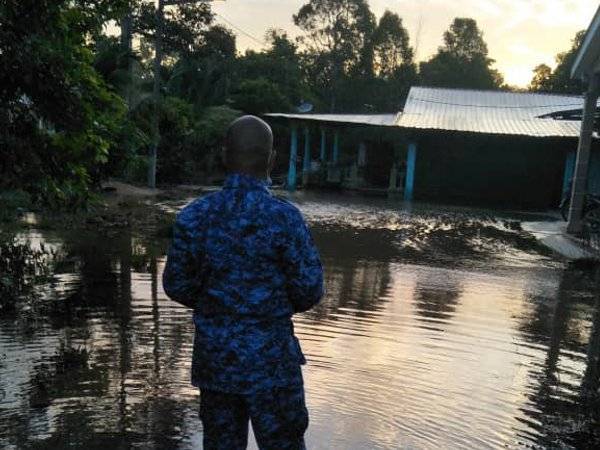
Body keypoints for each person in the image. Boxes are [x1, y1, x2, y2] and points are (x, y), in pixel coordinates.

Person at [162, 115, 324, 450]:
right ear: (272, 160)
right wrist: (268, 303)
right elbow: (310, 290)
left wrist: (215, 302)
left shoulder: (194, 216)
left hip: (217, 363)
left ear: (224, 156)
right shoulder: (285, 218)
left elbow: (175, 284)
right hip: (273, 366)